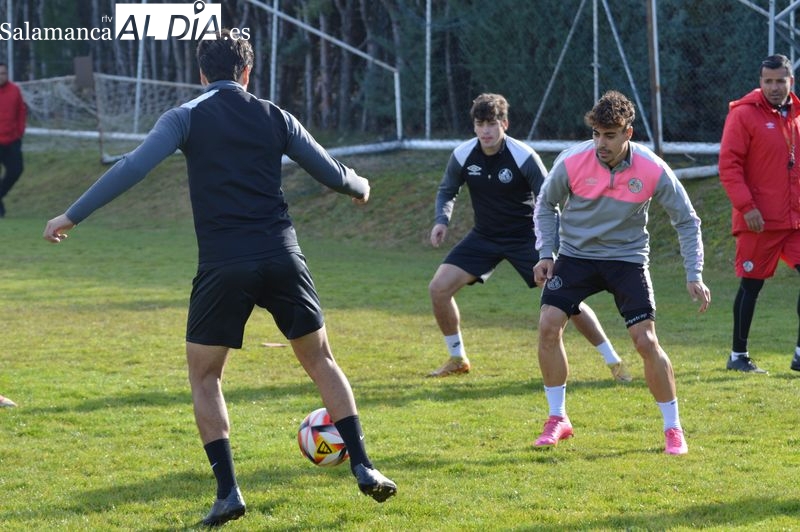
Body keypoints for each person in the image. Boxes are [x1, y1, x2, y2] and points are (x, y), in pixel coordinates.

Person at [43, 30, 396, 527]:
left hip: (223, 264)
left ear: (202, 74)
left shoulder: (184, 117)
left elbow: (132, 167)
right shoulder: (276, 115)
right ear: (247, 72)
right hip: (282, 255)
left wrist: (71, 215)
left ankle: (229, 492)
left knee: (205, 376)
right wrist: (360, 186)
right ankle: (363, 464)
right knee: (320, 360)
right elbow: (333, 174)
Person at [532, 90, 710, 455]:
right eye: (596, 133)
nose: (601, 142)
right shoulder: (572, 162)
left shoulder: (652, 168)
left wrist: (694, 273)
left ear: (628, 133)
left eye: (610, 135)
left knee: (646, 342)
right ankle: (557, 419)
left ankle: (673, 428)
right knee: (549, 324)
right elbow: (545, 204)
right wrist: (545, 252)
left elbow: (687, 220)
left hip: (626, 259)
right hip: (576, 255)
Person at [427, 93, 631, 382]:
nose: (486, 130)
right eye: (480, 123)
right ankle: (457, 358)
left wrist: (553, 247)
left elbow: (550, 200)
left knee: (567, 298)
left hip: (527, 238)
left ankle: (613, 361)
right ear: (474, 126)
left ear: (505, 124)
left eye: (492, 123)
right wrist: (441, 221)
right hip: (484, 236)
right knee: (438, 288)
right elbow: (447, 190)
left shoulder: (523, 157)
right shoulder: (462, 155)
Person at [719, 53, 800, 374]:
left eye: (781, 80)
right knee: (751, 286)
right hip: (758, 222)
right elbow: (729, 166)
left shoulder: (796, 114)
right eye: (768, 81)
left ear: (790, 81)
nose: (775, 87)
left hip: (794, 222)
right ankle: (738, 356)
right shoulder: (743, 115)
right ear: (760, 81)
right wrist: (747, 207)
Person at [0, 62, 26, 218]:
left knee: (16, 170)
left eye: (3, 73)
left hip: (11, 140)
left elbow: (21, 112)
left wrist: (19, 132)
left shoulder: (14, 90)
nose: (0, 76)